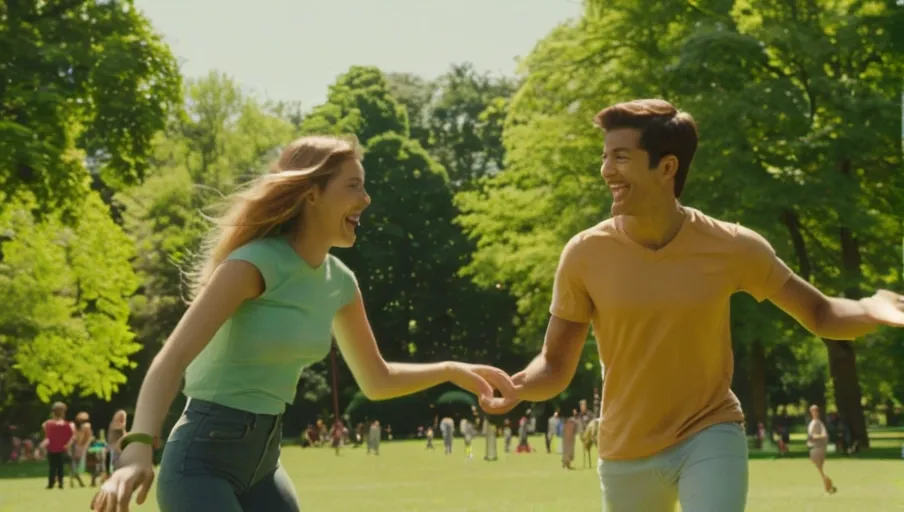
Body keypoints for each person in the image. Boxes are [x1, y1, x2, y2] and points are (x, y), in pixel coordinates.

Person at [483, 99, 904, 511]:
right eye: (605, 156)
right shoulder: (584, 254)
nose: (606, 170)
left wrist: (873, 306)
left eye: (621, 157)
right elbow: (555, 365)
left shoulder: (733, 246)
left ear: (667, 167)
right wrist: (519, 387)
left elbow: (821, 313)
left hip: (709, 430)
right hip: (626, 449)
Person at [89, 135, 516, 512]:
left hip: (264, 464)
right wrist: (138, 452)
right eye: (353, 186)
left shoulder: (340, 282)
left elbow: (376, 379)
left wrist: (449, 370)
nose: (366, 199)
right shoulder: (252, 264)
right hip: (201, 462)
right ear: (311, 193)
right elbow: (171, 359)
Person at [42, 402, 74, 490]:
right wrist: (67, 445)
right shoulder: (67, 424)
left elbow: (46, 434)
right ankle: (60, 483)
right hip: (62, 448)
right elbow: (71, 436)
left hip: (51, 448)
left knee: (52, 467)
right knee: (60, 467)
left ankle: (51, 483)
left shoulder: (48, 423)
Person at [807, 405, 837, 494]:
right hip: (815, 447)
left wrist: (818, 437)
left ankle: (829, 486)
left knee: (820, 469)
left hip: (818, 448)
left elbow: (821, 435)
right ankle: (828, 487)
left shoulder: (818, 423)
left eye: (816, 411)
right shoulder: (813, 423)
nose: (815, 412)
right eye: (813, 411)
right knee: (820, 469)